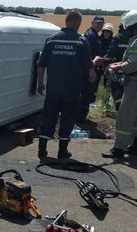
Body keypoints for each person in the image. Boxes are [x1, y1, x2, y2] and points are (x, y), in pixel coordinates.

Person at [36, 10, 95, 159]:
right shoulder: (81, 41)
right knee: (68, 118)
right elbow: (88, 66)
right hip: (72, 89)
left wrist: (39, 83)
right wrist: (93, 72)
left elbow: (41, 64)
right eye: (80, 23)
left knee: (48, 116)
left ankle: (42, 149)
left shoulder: (51, 40)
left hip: (53, 88)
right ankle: (62, 151)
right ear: (75, 22)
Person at [102, 10, 137, 159]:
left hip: (135, 83)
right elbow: (132, 61)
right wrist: (119, 63)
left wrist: (118, 67)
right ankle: (135, 146)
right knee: (136, 117)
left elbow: (132, 66)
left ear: (133, 27)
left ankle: (118, 149)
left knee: (124, 116)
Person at [77, 15, 105, 123]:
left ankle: (82, 116)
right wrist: (91, 69)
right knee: (85, 93)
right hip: (88, 69)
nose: (99, 25)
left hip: (91, 68)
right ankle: (80, 118)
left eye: (101, 23)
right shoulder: (90, 35)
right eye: (97, 23)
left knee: (88, 93)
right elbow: (86, 54)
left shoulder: (95, 35)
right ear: (92, 23)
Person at [107, 24, 130, 111]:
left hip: (117, 67)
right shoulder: (133, 38)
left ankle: (118, 108)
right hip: (129, 68)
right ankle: (125, 109)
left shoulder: (117, 37)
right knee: (126, 90)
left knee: (116, 89)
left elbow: (111, 54)